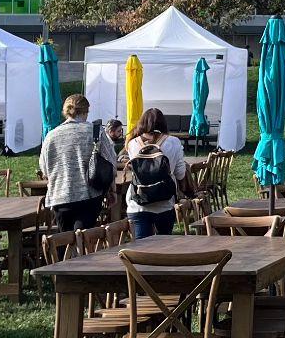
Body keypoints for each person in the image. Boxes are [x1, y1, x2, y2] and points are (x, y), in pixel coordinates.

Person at [39, 93, 117, 231]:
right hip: (88, 195)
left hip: (60, 197)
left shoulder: (51, 136)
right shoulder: (95, 131)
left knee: (65, 240)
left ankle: (65, 253)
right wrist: (112, 191)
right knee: (83, 239)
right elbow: (111, 164)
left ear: (65, 111)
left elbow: (44, 169)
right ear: (86, 112)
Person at [124, 106, 188, 238]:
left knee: (141, 249)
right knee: (163, 248)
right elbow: (181, 173)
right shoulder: (173, 142)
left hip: (138, 202)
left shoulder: (132, 143)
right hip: (164, 203)